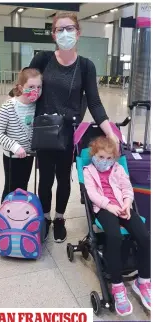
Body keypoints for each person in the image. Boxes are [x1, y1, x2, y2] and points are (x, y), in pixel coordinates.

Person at [29, 11, 119, 243]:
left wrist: (110, 132)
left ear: (78, 33)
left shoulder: (85, 66)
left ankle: (60, 219)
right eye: (60, 29)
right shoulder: (43, 59)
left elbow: (95, 102)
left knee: (63, 178)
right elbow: (29, 89)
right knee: (45, 178)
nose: (65, 33)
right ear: (53, 34)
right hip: (45, 132)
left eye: (70, 29)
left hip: (68, 134)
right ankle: (45, 218)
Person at [84, 136, 151, 317]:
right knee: (114, 237)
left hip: (123, 206)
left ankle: (143, 280)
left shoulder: (118, 168)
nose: (105, 162)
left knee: (145, 237)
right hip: (105, 208)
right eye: (101, 157)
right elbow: (92, 194)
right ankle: (117, 285)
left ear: (114, 158)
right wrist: (108, 205)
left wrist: (127, 204)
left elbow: (127, 187)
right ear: (94, 155)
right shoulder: (88, 171)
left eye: (109, 158)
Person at [0, 68, 42, 202]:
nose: (35, 90)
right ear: (20, 87)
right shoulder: (9, 106)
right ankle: (6, 215)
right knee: (10, 188)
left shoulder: (37, 106)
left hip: (29, 155)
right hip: (12, 157)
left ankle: (19, 215)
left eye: (39, 87)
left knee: (22, 187)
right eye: (31, 87)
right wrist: (14, 146)